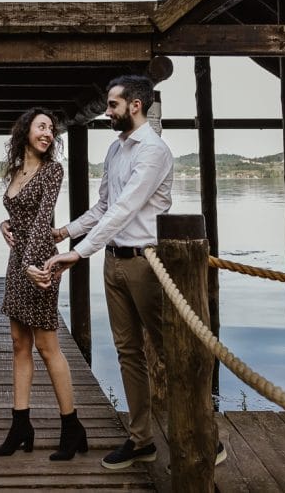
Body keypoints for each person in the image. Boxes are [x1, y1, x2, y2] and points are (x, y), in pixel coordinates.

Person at [38, 74, 226, 470]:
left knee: (172, 352)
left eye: (113, 105)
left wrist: (79, 253)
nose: (107, 112)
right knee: (128, 353)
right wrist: (65, 232)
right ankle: (141, 440)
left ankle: (206, 437)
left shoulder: (153, 151)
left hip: (147, 263)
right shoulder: (115, 149)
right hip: (114, 262)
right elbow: (104, 206)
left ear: (135, 105)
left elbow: (126, 208)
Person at [0, 108, 88, 461]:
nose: (48, 133)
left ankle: (71, 426)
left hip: (41, 262)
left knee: (47, 347)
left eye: (51, 128)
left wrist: (31, 265)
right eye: (41, 126)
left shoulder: (53, 170)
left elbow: (42, 220)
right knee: (19, 344)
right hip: (18, 263)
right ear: (25, 132)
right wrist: (4, 224)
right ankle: (20, 425)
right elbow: (20, 215)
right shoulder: (17, 171)